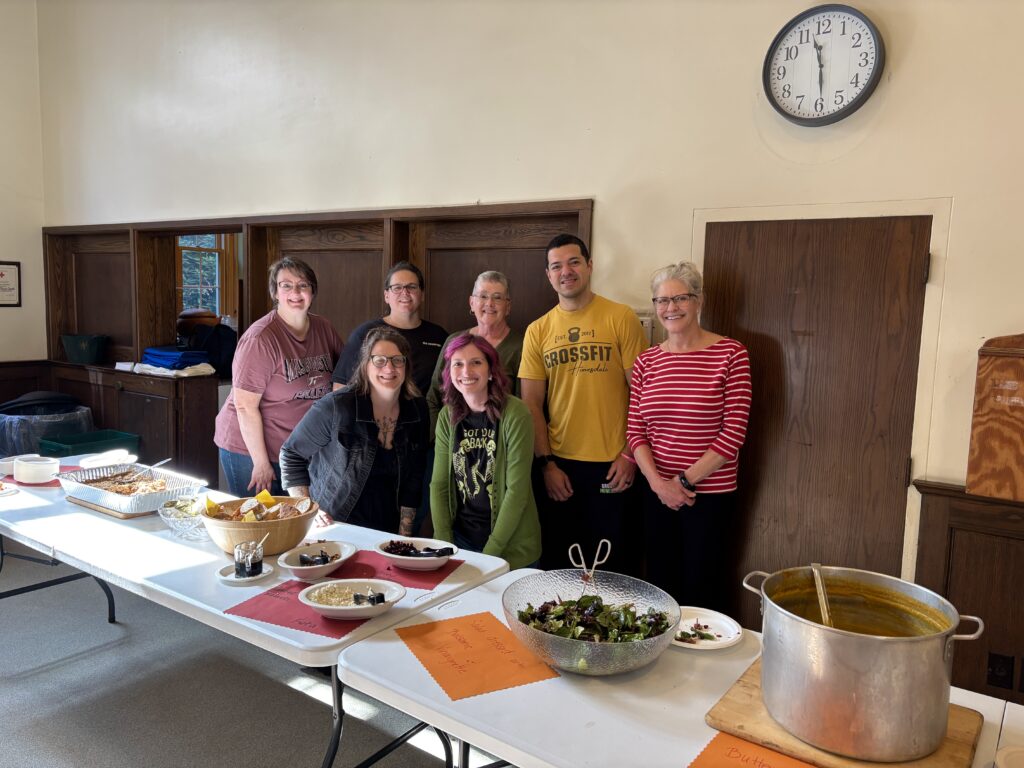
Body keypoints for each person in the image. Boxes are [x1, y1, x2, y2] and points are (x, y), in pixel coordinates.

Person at [518, 234, 648, 573]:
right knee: (563, 566)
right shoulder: (538, 330)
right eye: (557, 265)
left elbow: (642, 392)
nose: (566, 271)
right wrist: (546, 464)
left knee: (615, 566)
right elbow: (531, 403)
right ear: (548, 274)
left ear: (589, 266)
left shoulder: (621, 317)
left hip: (614, 463)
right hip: (560, 467)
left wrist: (631, 454)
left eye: (574, 262)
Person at [627, 262, 751, 611]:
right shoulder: (646, 362)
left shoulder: (731, 354)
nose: (670, 308)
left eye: (680, 298)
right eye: (662, 301)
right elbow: (636, 432)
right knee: (660, 589)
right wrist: (658, 484)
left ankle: (705, 664)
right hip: (656, 493)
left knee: (703, 585)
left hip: (709, 495)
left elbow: (733, 435)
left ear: (699, 301)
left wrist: (682, 482)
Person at [280, 327, 429, 534]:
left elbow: (414, 477)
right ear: (365, 366)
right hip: (335, 524)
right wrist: (308, 511)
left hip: (386, 530)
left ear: (406, 366)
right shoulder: (337, 407)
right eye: (379, 360)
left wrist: (404, 535)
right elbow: (291, 454)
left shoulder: (417, 410)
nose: (389, 368)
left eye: (397, 360)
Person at [214, 257, 342, 496]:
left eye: (303, 285)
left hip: (299, 449)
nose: (295, 292)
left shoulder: (324, 328)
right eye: (286, 285)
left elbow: (343, 378)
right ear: (275, 292)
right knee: (257, 523)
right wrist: (260, 463)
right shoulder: (260, 339)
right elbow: (244, 407)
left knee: (295, 522)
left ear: (313, 291)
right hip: (251, 449)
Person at [430, 334, 541, 569]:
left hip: (511, 548)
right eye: (457, 364)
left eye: (476, 362)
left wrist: (489, 555)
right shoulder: (446, 417)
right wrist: (445, 546)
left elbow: (517, 491)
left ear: (491, 371)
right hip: (462, 542)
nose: (466, 371)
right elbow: (439, 485)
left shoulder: (515, 413)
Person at [426, 270, 523, 432]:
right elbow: (434, 397)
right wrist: (441, 439)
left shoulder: (522, 346)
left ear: (508, 307)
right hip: (452, 442)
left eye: (497, 297)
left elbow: (523, 406)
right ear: (472, 303)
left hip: (500, 445)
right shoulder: (453, 341)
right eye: (483, 296)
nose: (489, 303)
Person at [331, 261, 448, 395]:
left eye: (412, 287)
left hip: (425, 415)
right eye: (397, 287)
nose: (405, 292)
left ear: (422, 295)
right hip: (375, 414)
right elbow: (340, 387)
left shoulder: (439, 336)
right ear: (386, 296)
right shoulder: (365, 333)